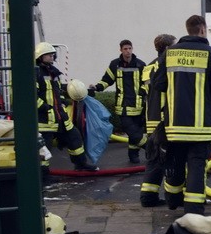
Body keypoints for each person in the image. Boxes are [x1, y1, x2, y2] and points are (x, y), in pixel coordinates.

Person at [153, 15, 211, 215]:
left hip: (174, 124)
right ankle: (194, 208)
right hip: (201, 125)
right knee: (196, 165)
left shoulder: (169, 54)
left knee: (175, 162)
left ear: (187, 30)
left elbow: (158, 84)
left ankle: (172, 200)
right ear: (203, 30)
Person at [35, 42, 98, 174]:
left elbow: (57, 92)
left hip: (60, 116)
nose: (52, 56)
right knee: (44, 148)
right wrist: (45, 107)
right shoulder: (35, 73)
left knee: (74, 137)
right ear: (40, 56)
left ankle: (81, 164)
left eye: (53, 54)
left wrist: (63, 102)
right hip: (45, 119)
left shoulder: (54, 73)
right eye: (49, 54)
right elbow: (31, 96)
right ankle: (43, 175)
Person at [89, 39, 147, 163]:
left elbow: (148, 82)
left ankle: (133, 155)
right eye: (125, 49)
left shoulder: (141, 65)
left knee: (135, 132)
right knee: (132, 131)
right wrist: (97, 87)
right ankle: (151, 149)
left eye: (130, 48)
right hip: (122, 106)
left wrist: (143, 91)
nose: (128, 51)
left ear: (133, 49)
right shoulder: (115, 65)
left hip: (138, 106)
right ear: (120, 50)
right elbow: (107, 80)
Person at [138, 33, 176, 207]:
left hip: (151, 120)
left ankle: (148, 196)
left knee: (154, 159)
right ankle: (173, 197)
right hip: (164, 120)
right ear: (168, 48)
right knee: (171, 159)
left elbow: (143, 94)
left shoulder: (148, 67)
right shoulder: (168, 65)